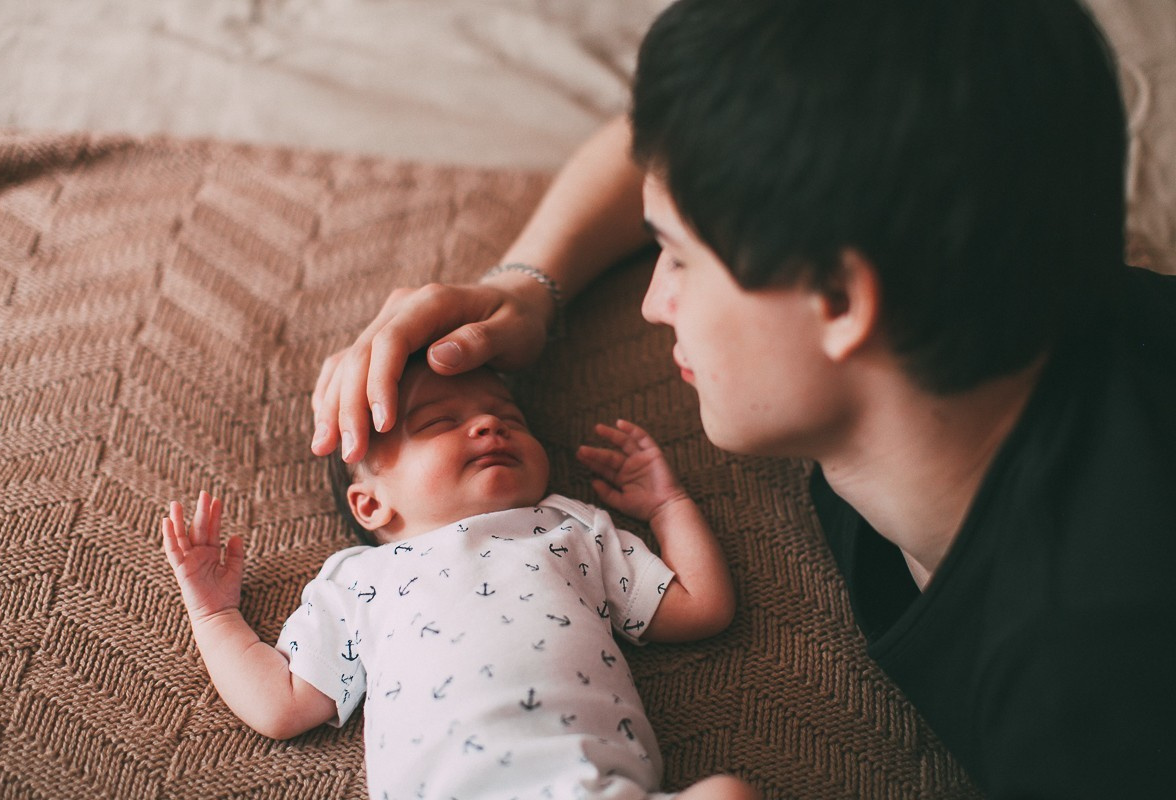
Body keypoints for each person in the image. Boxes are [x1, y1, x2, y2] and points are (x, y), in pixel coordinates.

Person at [308, 0, 1176, 796]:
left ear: (839, 300)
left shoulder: (1087, 705)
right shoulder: (996, 282)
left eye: (678, 256)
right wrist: (528, 287)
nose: (653, 303)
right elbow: (665, 146)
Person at [162, 357, 757, 799]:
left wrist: (667, 505)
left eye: (507, 417)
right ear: (371, 505)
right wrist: (215, 614)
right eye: (441, 421)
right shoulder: (358, 580)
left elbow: (702, 607)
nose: (488, 427)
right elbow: (281, 706)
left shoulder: (570, 527)